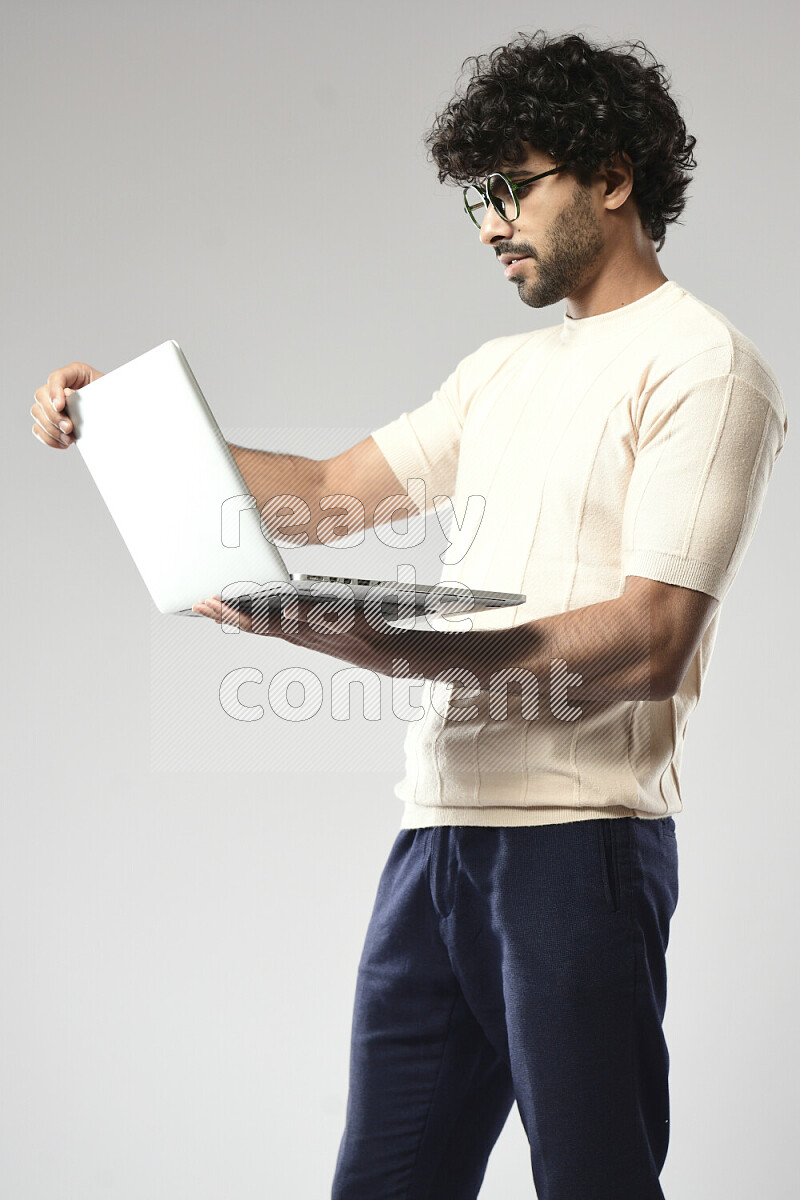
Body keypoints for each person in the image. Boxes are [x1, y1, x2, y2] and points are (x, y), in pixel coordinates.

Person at [30, 29, 787, 1200]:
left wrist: (392, 646)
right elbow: (330, 498)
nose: (489, 221)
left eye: (512, 187)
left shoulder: (702, 366)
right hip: (435, 843)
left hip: (577, 849)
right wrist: (125, 427)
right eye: (473, 197)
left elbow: (648, 640)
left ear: (611, 178)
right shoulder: (497, 372)